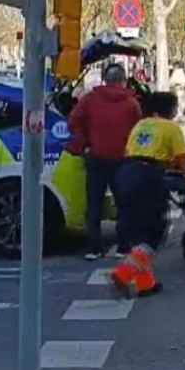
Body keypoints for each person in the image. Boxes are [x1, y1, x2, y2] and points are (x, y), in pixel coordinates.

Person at [110, 91, 185, 297]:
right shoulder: (171, 128)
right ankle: (124, 272)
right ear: (169, 109)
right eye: (175, 107)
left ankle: (146, 284)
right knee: (155, 230)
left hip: (125, 173)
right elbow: (184, 159)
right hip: (148, 177)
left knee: (137, 231)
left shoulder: (140, 125)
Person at [68, 63, 143, 260]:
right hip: (123, 159)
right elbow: (139, 130)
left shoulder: (90, 99)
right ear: (123, 80)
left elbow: (73, 120)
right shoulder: (131, 103)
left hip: (96, 156)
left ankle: (94, 248)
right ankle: (123, 246)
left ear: (105, 80)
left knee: (94, 203)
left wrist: (83, 142)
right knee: (124, 203)